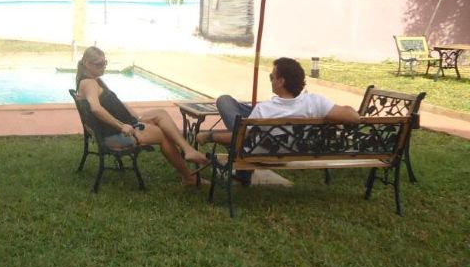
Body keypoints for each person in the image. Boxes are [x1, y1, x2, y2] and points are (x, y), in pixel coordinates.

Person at [198, 57, 361, 183]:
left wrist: (209, 136)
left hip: (263, 154)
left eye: (272, 77)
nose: (271, 80)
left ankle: (242, 173)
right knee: (233, 106)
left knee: (225, 102)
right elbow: (354, 117)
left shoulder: (264, 109)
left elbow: (238, 137)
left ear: (281, 81)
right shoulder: (315, 102)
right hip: (293, 149)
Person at [75, 46, 208, 186]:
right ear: (86, 63)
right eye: (99, 64)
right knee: (163, 134)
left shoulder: (92, 79)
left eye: (105, 63)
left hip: (124, 124)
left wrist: (135, 116)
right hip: (115, 135)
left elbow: (115, 103)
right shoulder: (89, 83)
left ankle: (188, 150)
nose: (103, 67)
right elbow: (96, 109)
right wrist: (121, 126)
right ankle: (188, 177)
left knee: (161, 113)